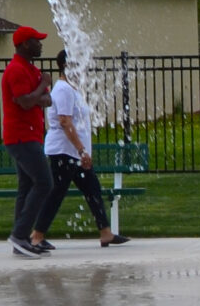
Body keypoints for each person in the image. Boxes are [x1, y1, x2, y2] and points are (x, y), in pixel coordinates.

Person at [34, 57, 132, 249]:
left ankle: (105, 233)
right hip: (64, 152)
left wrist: (82, 152)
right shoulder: (63, 90)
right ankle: (36, 236)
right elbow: (64, 121)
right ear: (66, 66)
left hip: (74, 153)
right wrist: (81, 150)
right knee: (56, 193)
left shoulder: (71, 90)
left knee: (92, 189)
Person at [1, 25, 57, 257]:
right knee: (44, 183)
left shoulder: (31, 70)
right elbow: (25, 102)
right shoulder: (16, 70)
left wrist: (39, 93)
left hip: (30, 135)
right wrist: (42, 87)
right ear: (25, 44)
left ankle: (21, 240)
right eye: (37, 40)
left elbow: (48, 100)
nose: (40, 44)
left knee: (26, 187)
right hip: (20, 136)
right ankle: (20, 234)